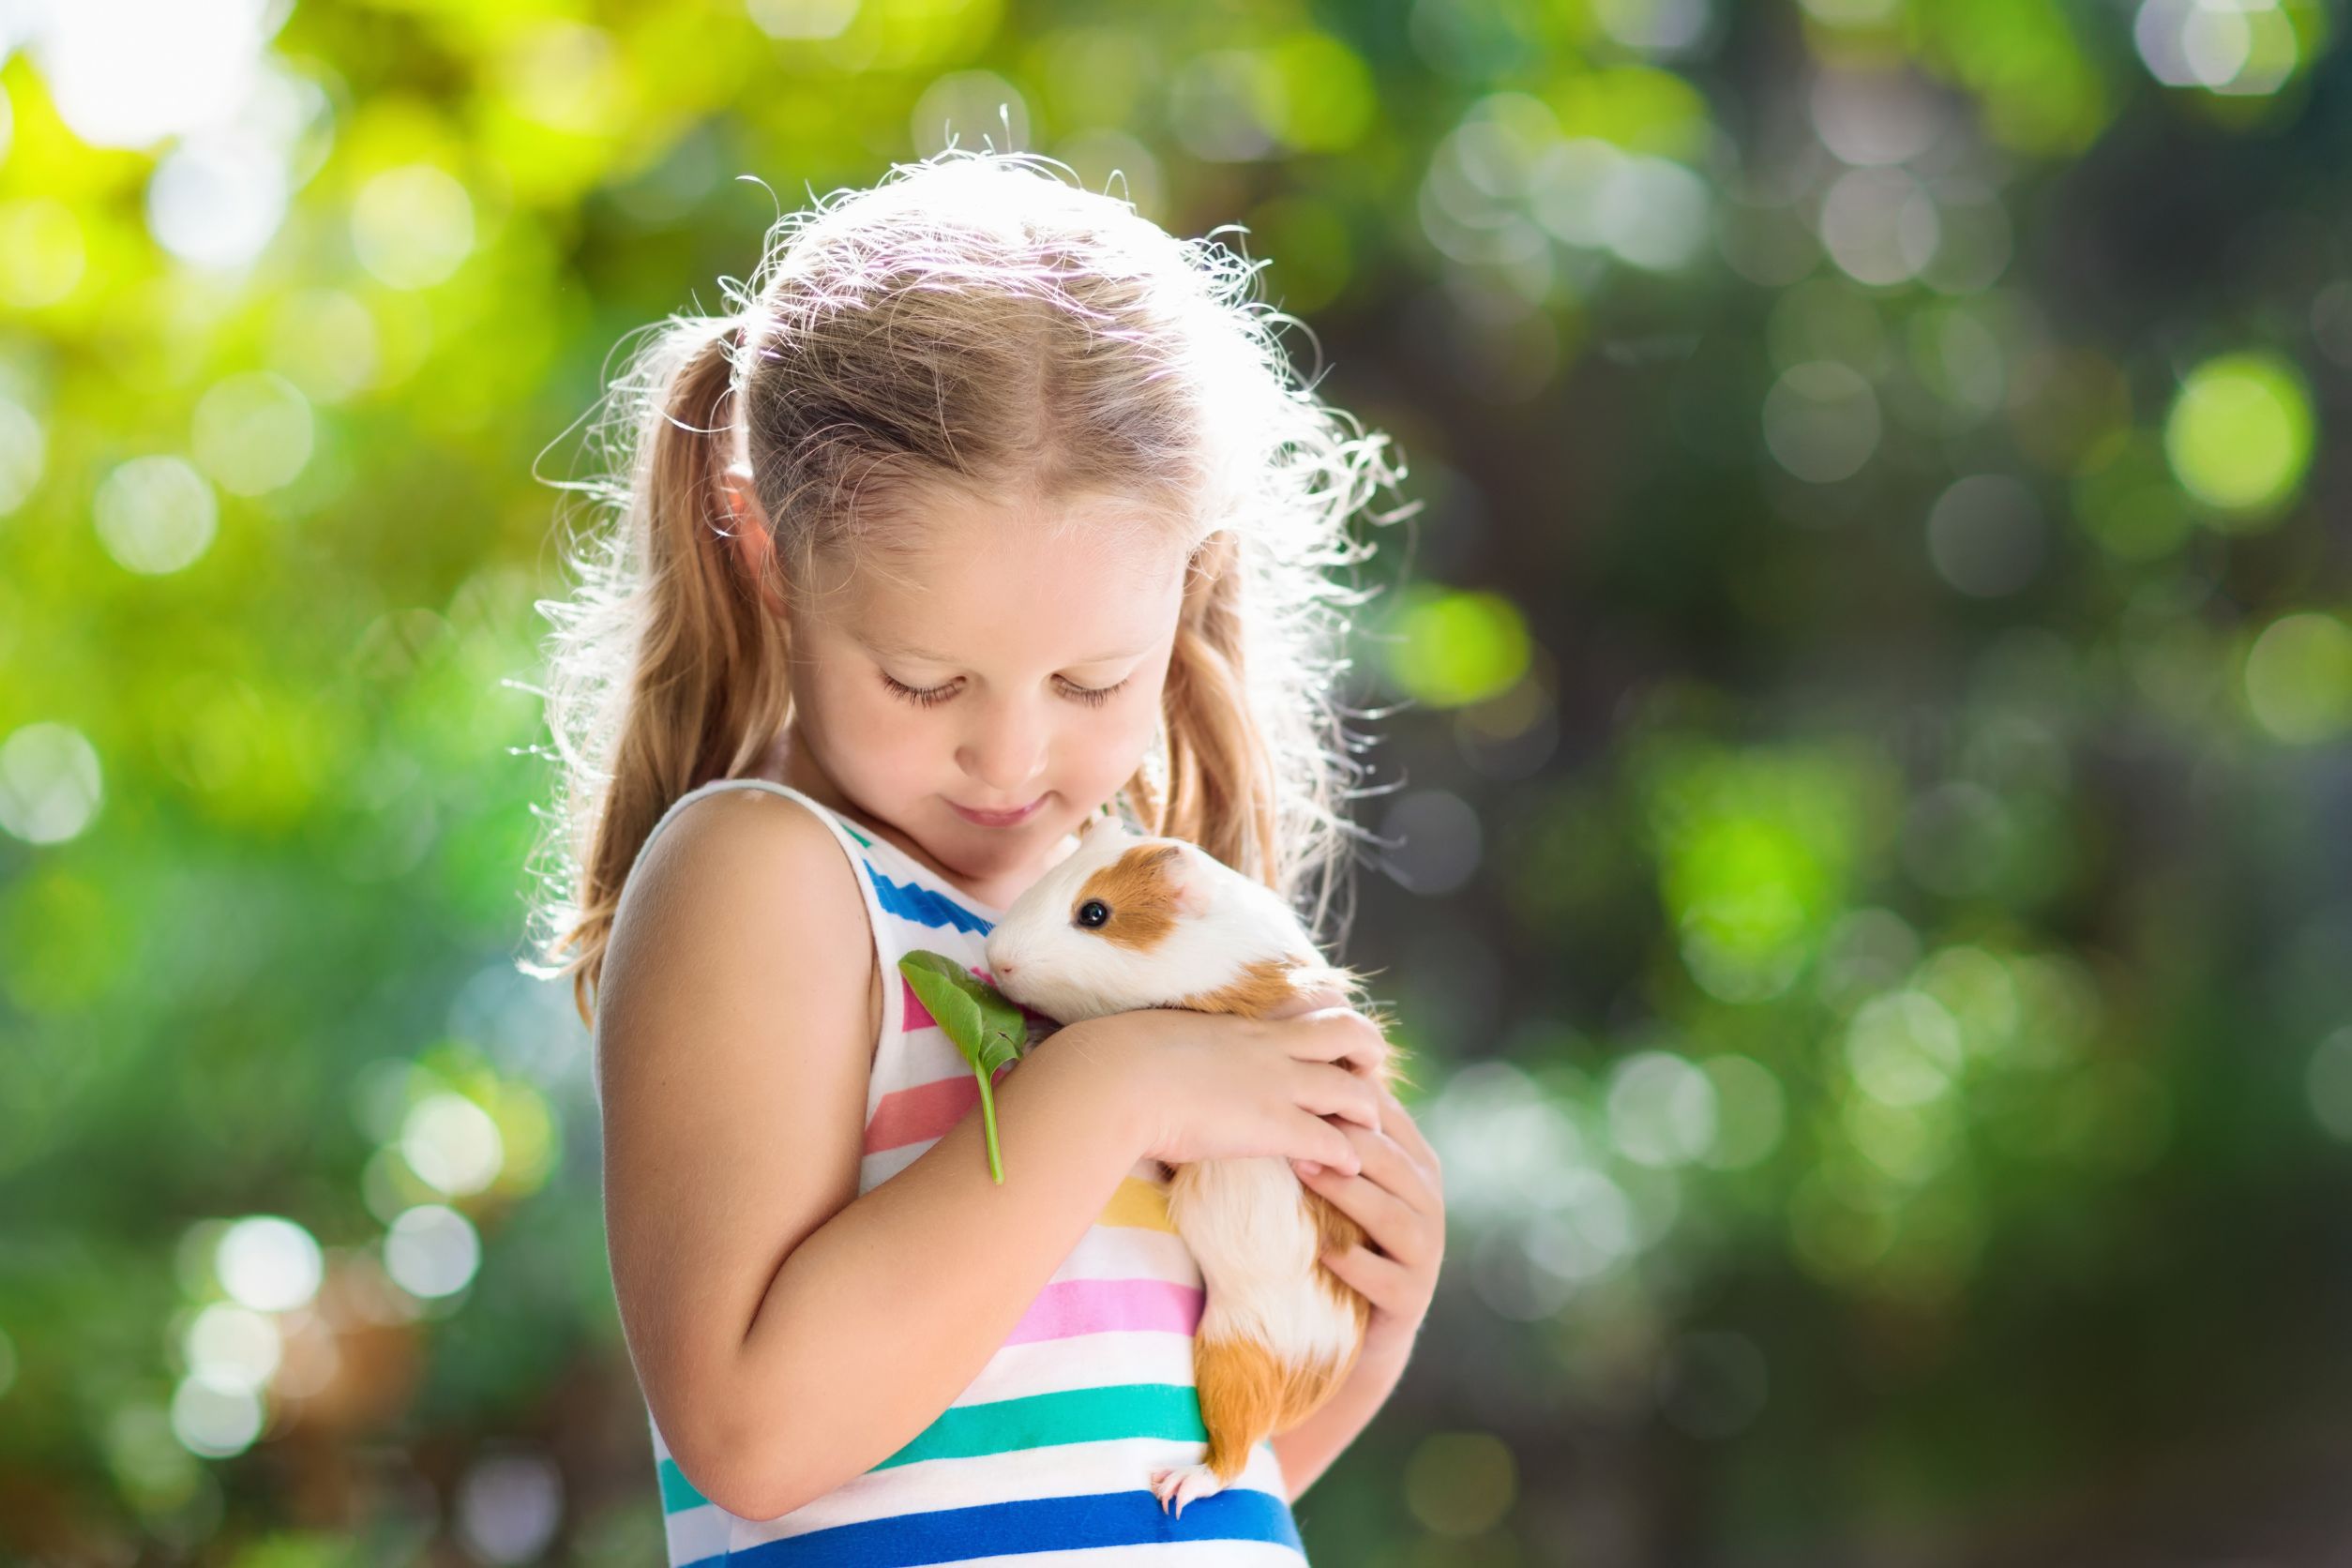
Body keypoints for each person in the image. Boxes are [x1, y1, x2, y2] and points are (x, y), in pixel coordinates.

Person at [523, 147, 1446, 1562]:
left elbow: (1125, 1483)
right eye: (923, 681)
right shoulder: (767, 878)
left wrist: (1359, 1341)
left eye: (1088, 684)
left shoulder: (1121, 928)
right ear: (769, 554)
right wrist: (1115, 1093)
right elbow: (759, 1438)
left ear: (1188, 577)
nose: (1011, 761)